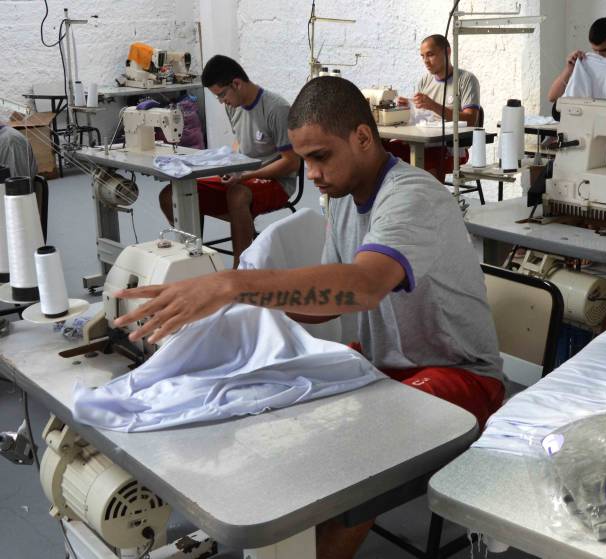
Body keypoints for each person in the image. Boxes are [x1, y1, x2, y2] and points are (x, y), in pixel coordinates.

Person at [115, 76, 505, 559]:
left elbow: (361, 287)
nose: (312, 174)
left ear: (363, 137)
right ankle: (285, 526)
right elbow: (331, 303)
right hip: (385, 363)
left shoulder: (411, 198)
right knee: (269, 398)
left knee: (362, 448)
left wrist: (234, 283)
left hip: (459, 375)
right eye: (304, 161)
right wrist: (236, 306)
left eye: (321, 156)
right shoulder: (343, 200)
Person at [159, 55, 300, 266]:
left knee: (237, 195)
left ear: (237, 83)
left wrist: (247, 174)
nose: (221, 101)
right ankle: (193, 260)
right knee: (172, 193)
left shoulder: (276, 109)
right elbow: (239, 143)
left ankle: (239, 270)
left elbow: (291, 163)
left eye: (222, 94)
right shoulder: (233, 106)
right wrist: (227, 165)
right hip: (244, 175)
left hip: (277, 181)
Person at [391, 34, 481, 179]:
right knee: (384, 151)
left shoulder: (466, 80)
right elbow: (420, 116)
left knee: (430, 158)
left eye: (430, 55)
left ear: (447, 51)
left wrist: (434, 106)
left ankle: (431, 199)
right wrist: (407, 107)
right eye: (422, 56)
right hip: (423, 143)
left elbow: (470, 120)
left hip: (451, 147)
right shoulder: (425, 80)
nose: (426, 61)